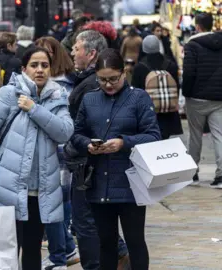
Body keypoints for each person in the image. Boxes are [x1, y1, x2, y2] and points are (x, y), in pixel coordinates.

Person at [0, 47, 74, 270]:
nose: (39, 70)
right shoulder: (9, 94)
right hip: (7, 187)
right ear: (24, 68)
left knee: (32, 249)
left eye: (44, 66)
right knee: (5, 252)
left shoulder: (57, 96)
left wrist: (34, 109)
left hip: (40, 191)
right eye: (34, 65)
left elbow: (65, 132)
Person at [71, 48, 161, 270]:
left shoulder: (138, 98)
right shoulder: (90, 99)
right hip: (98, 182)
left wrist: (123, 142)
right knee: (106, 243)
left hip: (131, 182)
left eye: (113, 79)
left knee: (135, 241)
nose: (108, 84)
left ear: (124, 73)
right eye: (102, 80)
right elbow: (76, 133)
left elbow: (153, 135)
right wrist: (88, 145)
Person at [34, 36, 79, 270]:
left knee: (58, 201)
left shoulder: (63, 86)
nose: (43, 60)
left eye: (48, 54)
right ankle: (66, 248)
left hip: (61, 150)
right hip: (45, 150)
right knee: (54, 202)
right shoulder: (36, 85)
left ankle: (60, 254)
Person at [182, 13, 222, 189]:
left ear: (197, 26)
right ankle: (221, 176)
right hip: (219, 99)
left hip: (197, 97)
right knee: (218, 135)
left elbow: (189, 72)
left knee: (195, 136)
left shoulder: (192, 45)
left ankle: (193, 173)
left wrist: (186, 93)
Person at [131, 35, 183, 140]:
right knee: (164, 140)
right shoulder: (170, 65)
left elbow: (135, 91)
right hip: (168, 111)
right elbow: (176, 87)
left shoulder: (140, 67)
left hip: (148, 113)